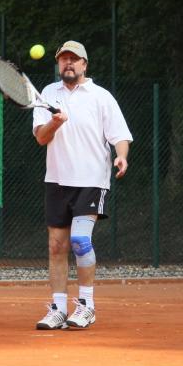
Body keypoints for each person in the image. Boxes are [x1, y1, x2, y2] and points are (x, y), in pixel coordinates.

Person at [32, 40, 133, 329]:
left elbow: (120, 136)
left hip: (91, 179)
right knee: (56, 246)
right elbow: (41, 137)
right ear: (58, 64)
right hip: (57, 179)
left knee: (79, 240)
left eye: (73, 59)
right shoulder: (48, 94)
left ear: (84, 64)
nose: (68, 63)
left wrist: (121, 156)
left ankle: (87, 305)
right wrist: (56, 122)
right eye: (63, 59)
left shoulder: (101, 97)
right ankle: (58, 309)